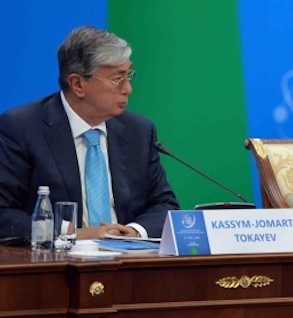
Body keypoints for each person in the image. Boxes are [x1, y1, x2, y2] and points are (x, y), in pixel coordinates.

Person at [0, 26, 179, 241]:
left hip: (130, 262)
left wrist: (132, 232)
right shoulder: (22, 128)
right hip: (59, 265)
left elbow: (164, 205)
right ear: (77, 84)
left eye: (128, 75)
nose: (128, 88)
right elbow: (4, 213)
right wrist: (74, 234)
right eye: (117, 79)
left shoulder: (138, 131)